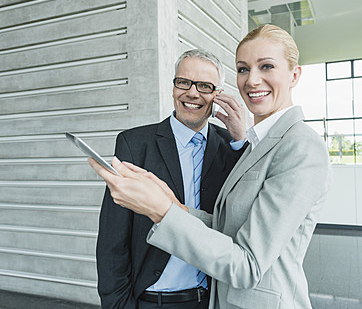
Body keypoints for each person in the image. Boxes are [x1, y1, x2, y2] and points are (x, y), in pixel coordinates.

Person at [91, 24, 331, 309]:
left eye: (266, 66)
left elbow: (247, 264)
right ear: (173, 86)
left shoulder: (295, 145)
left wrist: (162, 210)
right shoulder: (260, 141)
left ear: (294, 75)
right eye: (243, 69)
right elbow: (112, 242)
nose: (253, 80)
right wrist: (174, 206)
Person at [96, 48, 247, 309]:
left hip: (209, 300)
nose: (192, 92)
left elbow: (239, 218)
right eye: (184, 82)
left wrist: (240, 141)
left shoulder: (230, 146)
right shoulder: (134, 144)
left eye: (204, 86)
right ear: (174, 86)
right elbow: (112, 238)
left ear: (217, 95)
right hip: (151, 301)